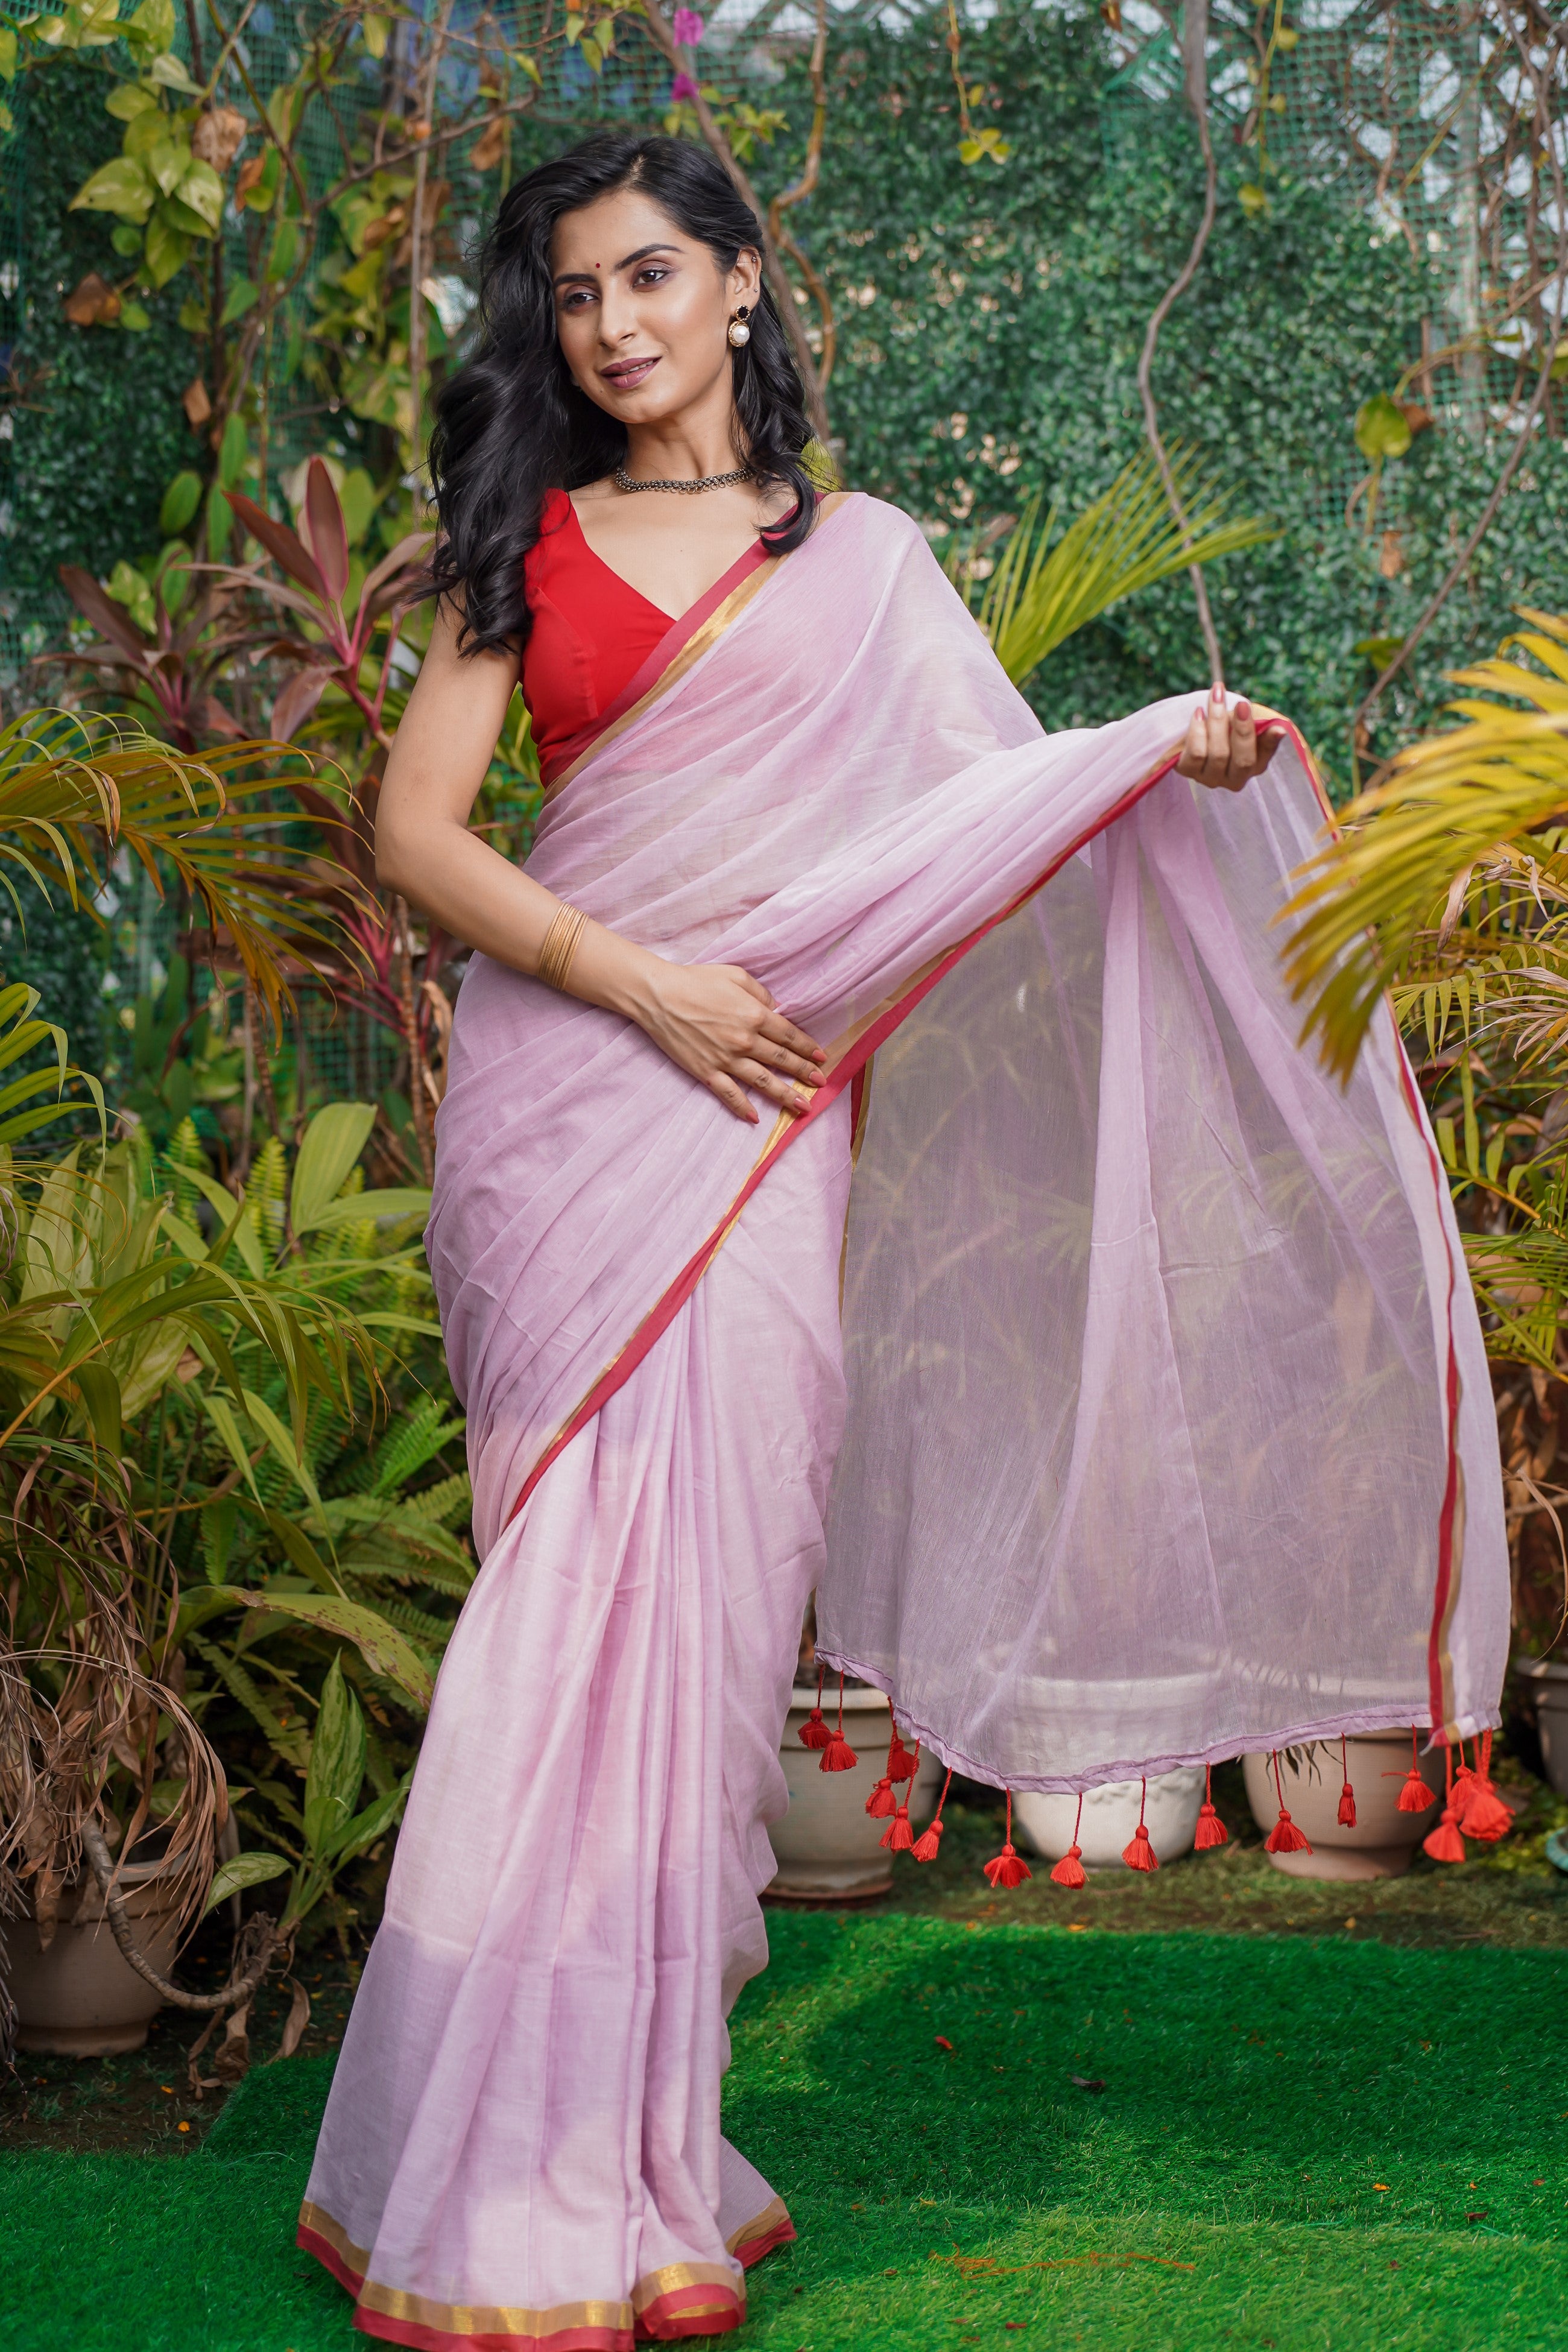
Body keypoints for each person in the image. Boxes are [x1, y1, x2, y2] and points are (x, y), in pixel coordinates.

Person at [299, 134, 1508, 2350]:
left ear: (745, 284)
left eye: (654, 275)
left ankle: (639, 2158)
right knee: (565, 1620)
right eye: (576, 296)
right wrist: (635, 973)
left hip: (764, 1136)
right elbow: (412, 830)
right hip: (579, 1110)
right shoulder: (527, 537)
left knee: (710, 1633)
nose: (617, 325)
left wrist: (1157, 755)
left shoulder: (862, 564)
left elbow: (972, 813)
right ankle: (484, 2170)